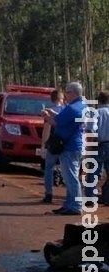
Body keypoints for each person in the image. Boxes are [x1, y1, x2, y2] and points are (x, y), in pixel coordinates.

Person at [44, 82, 86, 215]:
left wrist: (46, 117)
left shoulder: (72, 108)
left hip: (69, 147)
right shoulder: (82, 106)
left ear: (73, 93)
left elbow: (56, 122)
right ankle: (69, 204)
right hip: (76, 146)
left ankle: (75, 206)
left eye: (67, 92)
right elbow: (63, 119)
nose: (66, 95)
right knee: (70, 176)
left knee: (71, 177)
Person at [84, 90, 109, 205]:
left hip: (99, 145)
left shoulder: (96, 113)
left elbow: (91, 130)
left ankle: (90, 198)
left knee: (93, 172)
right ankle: (107, 197)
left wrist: (89, 147)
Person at [41, 89, 65, 203]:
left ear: (52, 99)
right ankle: (70, 196)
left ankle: (49, 194)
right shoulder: (67, 110)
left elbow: (47, 130)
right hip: (67, 144)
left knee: (49, 168)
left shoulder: (49, 111)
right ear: (62, 98)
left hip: (54, 144)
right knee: (69, 170)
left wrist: (43, 146)